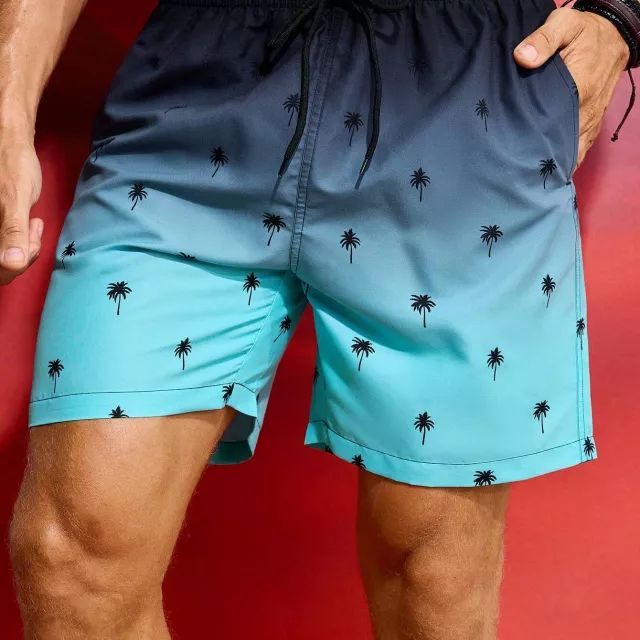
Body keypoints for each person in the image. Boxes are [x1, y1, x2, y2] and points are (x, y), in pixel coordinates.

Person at [1, 0, 635, 636]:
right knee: (71, 556)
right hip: (201, 92)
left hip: (460, 103)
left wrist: (622, 18)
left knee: (432, 580)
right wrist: (6, 105)